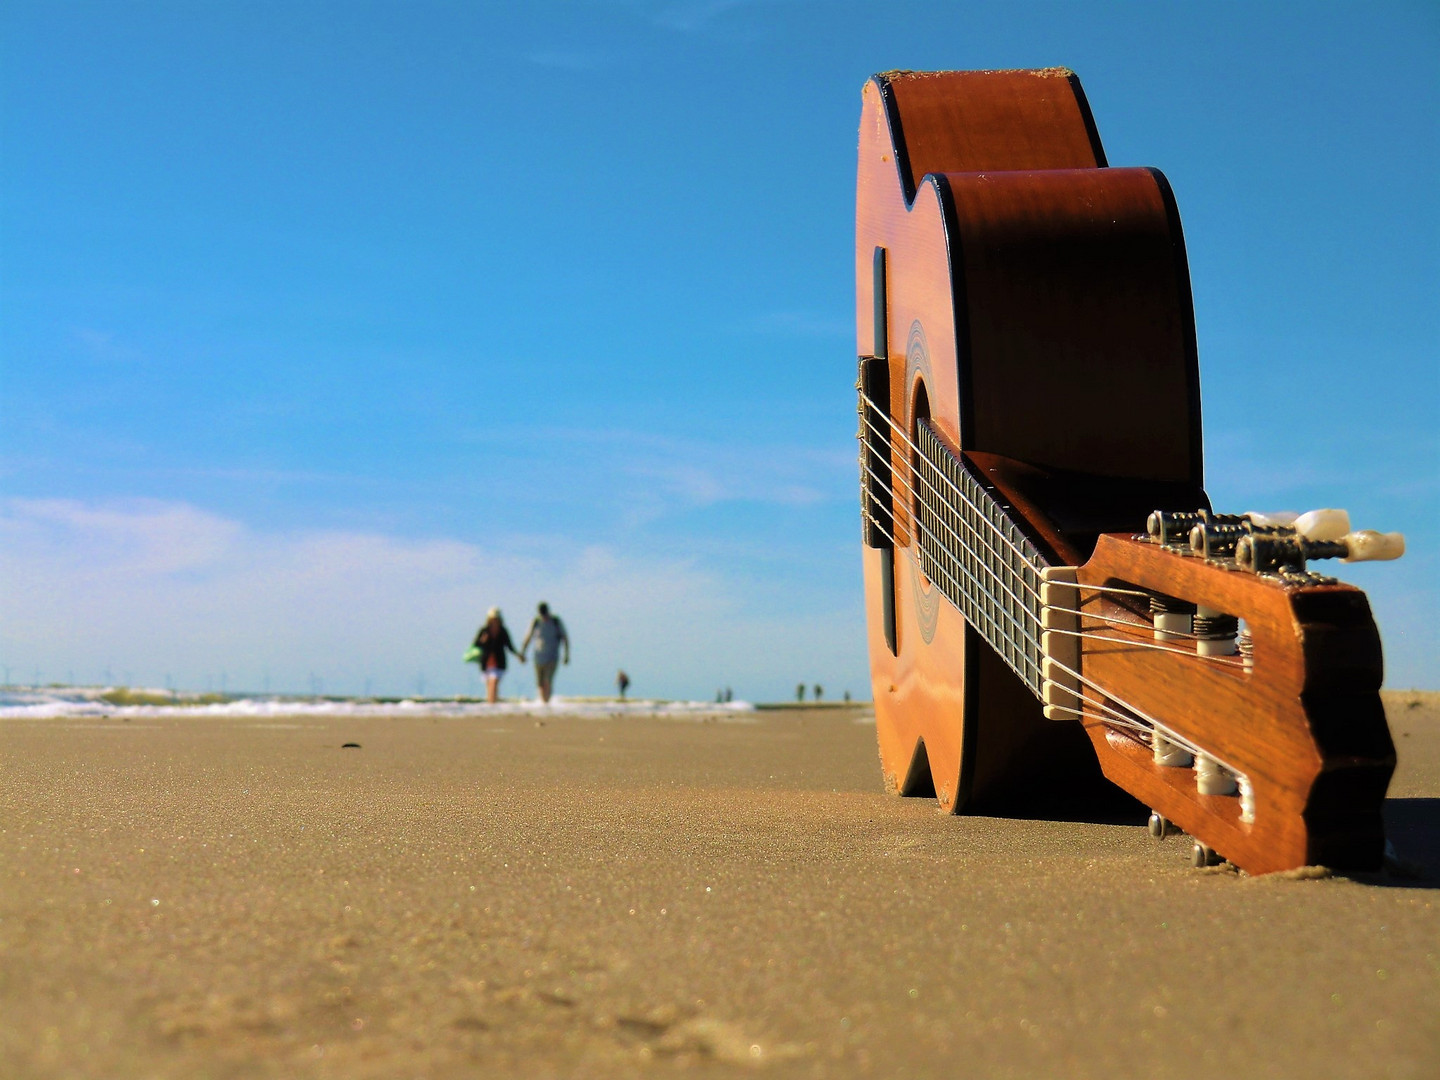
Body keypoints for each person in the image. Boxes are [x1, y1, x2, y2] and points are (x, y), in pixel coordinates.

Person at [521, 601, 569, 703]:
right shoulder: (536, 622)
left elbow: (565, 638)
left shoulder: (556, 621)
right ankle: (543, 703)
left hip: (552, 657)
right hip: (538, 657)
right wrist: (523, 652)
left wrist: (566, 655)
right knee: (540, 684)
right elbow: (528, 638)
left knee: (547, 681)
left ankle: (547, 701)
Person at [472, 607, 522, 704]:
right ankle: (491, 703)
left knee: (494, 683)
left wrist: (518, 655)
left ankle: (492, 703)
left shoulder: (503, 631)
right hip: (485, 662)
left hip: (499, 662)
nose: (494, 621)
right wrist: (482, 641)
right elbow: (475, 645)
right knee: (489, 685)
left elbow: (509, 646)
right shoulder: (484, 630)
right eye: (493, 619)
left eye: (496, 619)